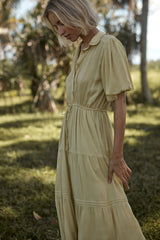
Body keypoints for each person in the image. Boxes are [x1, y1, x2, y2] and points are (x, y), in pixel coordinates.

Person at [43, 0, 146, 239]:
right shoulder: (79, 50)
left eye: (61, 23)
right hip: (71, 138)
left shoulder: (108, 45)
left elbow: (119, 103)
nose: (60, 31)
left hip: (93, 138)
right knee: (78, 198)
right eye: (55, 26)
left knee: (100, 198)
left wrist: (117, 155)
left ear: (75, 12)